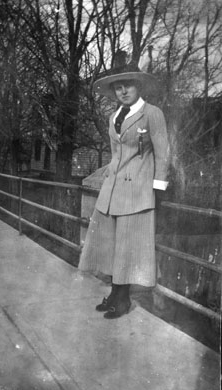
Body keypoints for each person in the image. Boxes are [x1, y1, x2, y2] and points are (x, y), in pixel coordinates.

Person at [79, 64, 170, 319]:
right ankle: (116, 296)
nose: (123, 90)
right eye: (118, 87)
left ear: (138, 86)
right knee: (111, 246)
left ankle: (122, 300)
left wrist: (157, 188)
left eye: (127, 85)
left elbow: (163, 154)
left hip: (137, 192)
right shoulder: (114, 117)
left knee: (128, 248)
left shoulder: (152, 114)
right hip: (113, 190)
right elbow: (115, 155)